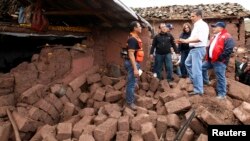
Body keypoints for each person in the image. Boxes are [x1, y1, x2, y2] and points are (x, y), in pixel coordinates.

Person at [179, 9, 209, 95]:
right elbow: (193, 38)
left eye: (193, 16)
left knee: (197, 70)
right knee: (187, 63)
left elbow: (200, 38)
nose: (191, 18)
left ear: (199, 16)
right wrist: (184, 40)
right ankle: (195, 81)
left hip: (198, 49)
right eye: (191, 16)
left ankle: (199, 90)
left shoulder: (202, 25)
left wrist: (186, 41)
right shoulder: (196, 25)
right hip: (193, 49)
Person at [202, 21, 235, 99]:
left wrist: (220, 57)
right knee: (201, 67)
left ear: (220, 28)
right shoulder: (214, 36)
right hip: (211, 60)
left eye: (215, 27)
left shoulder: (227, 36)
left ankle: (222, 94)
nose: (213, 28)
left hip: (220, 61)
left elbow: (229, 49)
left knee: (220, 77)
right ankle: (206, 81)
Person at [124, 21, 144, 110]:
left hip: (135, 63)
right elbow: (131, 54)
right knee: (131, 84)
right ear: (135, 28)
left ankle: (131, 97)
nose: (141, 28)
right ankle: (129, 103)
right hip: (133, 64)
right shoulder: (132, 39)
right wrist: (135, 68)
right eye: (139, 26)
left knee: (133, 82)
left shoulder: (135, 38)